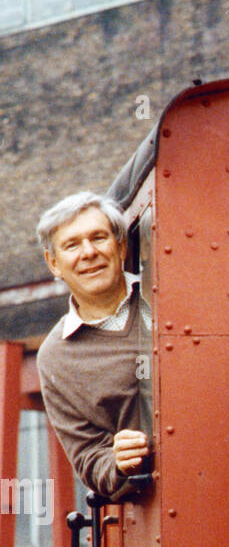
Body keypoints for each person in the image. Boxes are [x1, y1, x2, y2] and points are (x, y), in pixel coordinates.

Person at [35, 191, 150, 500]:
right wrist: (117, 460)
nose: (88, 253)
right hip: (155, 507)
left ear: (121, 246)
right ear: (54, 263)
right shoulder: (55, 357)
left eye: (98, 238)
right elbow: (88, 456)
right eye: (72, 245)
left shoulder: (168, 297)